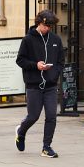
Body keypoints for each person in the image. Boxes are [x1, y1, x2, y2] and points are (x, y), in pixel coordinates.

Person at [14, 9, 64, 158]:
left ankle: (46, 147)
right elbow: (20, 60)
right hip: (34, 84)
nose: (48, 29)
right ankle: (21, 131)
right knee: (33, 116)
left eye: (50, 27)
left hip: (50, 85)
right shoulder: (28, 40)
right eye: (46, 25)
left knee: (51, 116)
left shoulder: (56, 40)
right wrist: (35, 65)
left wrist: (54, 74)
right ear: (39, 22)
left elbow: (61, 61)